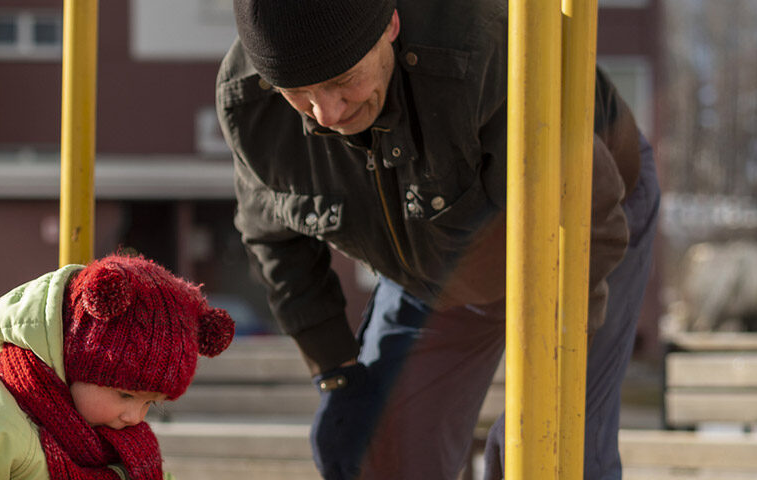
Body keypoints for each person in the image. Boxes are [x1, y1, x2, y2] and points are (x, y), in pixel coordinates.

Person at [216, 0, 660, 478]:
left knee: (553, 458)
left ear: (390, 23)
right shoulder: (251, 103)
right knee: (373, 448)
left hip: (582, 227)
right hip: (433, 259)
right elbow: (276, 240)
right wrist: (336, 371)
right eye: (298, 93)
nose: (326, 113)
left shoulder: (481, 49)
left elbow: (589, 227)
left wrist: (545, 390)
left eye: (341, 81)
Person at [0, 254, 236, 480]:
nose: (135, 416)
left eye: (151, 403)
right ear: (76, 359)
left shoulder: (122, 441)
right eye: (126, 394)